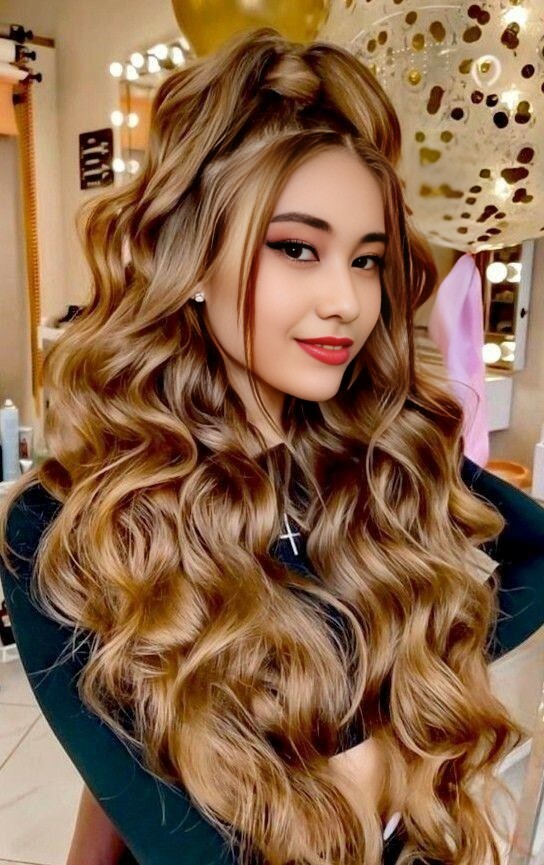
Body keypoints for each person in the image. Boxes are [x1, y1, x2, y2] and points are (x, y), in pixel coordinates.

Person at [1, 27, 543, 865]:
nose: (346, 301)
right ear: (190, 255)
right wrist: (373, 764)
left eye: (367, 260)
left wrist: (402, 704)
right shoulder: (61, 529)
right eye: (296, 247)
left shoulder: (371, 462)